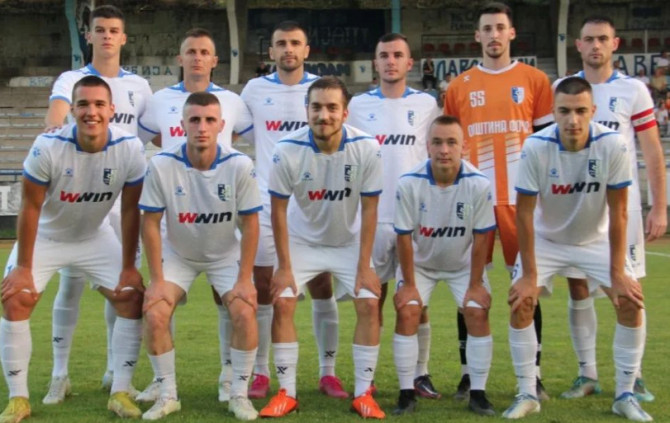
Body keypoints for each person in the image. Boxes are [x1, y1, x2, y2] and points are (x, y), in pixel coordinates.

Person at [502, 76, 652, 422]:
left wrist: (617, 273)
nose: (573, 119)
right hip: (547, 240)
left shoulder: (613, 144)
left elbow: (619, 211)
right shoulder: (535, 146)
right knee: (521, 301)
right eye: (565, 111)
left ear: (593, 111)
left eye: (581, 111)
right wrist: (529, 276)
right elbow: (523, 213)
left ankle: (625, 394)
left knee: (631, 300)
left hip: (595, 239)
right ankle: (527, 393)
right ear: (553, 112)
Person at [0, 76, 147, 422]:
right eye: (82, 104)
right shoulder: (48, 146)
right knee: (16, 297)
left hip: (93, 236)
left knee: (131, 296)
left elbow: (130, 210)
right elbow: (30, 208)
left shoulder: (129, 148)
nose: (91, 112)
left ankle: (120, 391)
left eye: (99, 105)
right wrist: (23, 268)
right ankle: (18, 398)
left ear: (112, 110)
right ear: (71, 110)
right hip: (46, 238)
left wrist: (129, 266)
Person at [136, 27, 254, 403]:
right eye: (191, 51)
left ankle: (234, 385)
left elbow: (251, 221)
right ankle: (164, 388)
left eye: (204, 52)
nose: (198, 57)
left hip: (222, 234)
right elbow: (150, 221)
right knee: (157, 306)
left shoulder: (234, 122)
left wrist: (246, 278)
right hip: (177, 234)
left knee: (236, 305)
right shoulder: (161, 119)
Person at [42, 4, 152, 403]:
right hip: (81, 198)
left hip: (121, 199)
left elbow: (151, 135)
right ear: (88, 36)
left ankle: (114, 372)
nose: (107, 36)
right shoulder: (72, 79)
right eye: (100, 29)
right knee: (70, 284)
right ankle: (60, 375)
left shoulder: (140, 86)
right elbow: (55, 121)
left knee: (122, 285)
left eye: (113, 30)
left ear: (124, 38)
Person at [444, 1, 554, 401]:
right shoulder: (459, 87)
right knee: (469, 291)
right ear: (477, 35)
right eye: (487, 29)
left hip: (520, 204)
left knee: (526, 290)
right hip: (474, 203)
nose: (493, 35)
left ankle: (533, 376)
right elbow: (450, 147)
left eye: (500, 27)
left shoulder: (535, 80)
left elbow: (546, 145)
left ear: (512, 33)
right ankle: (468, 376)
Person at [555, 15, 666, 403]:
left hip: (622, 208)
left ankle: (632, 376)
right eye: (589, 39)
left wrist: (659, 207)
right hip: (577, 208)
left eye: (603, 38)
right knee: (578, 286)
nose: (596, 45)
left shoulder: (633, 90)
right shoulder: (562, 88)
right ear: (578, 45)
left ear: (615, 44)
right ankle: (587, 374)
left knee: (629, 290)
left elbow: (652, 151)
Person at [259, 77, 384, 419]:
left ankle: (363, 394)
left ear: (345, 112)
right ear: (306, 110)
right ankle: (287, 393)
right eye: (316, 107)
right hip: (303, 241)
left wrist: (365, 266)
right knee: (283, 301)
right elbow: (278, 211)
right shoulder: (286, 149)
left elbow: (370, 209)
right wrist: (284, 267)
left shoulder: (367, 148)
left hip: (349, 241)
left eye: (331, 107)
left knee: (369, 303)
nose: (323, 115)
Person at [240, 21, 345, 400]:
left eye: (295, 43)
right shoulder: (254, 90)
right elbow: (239, 132)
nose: (288, 49)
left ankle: (328, 373)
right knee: (266, 289)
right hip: (267, 205)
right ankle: (261, 373)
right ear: (271, 52)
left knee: (321, 286)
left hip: (313, 205)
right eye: (281, 43)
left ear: (306, 50)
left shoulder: (321, 91)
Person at [347, 32, 441, 399]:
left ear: (409, 63)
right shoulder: (357, 106)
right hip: (370, 218)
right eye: (384, 55)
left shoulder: (427, 104)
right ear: (375, 62)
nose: (390, 61)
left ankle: (421, 373)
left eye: (397, 55)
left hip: (413, 220)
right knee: (371, 301)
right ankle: (367, 378)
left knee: (417, 302)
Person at [391, 115, 496, 416]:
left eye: (451, 142)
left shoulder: (479, 184)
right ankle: (406, 393)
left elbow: (482, 237)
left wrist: (475, 284)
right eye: (437, 142)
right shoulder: (409, 182)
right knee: (408, 309)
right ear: (427, 146)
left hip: (462, 265)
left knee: (476, 310)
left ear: (464, 147)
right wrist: (409, 285)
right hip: (420, 264)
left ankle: (478, 393)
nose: (444, 150)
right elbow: (403, 237)